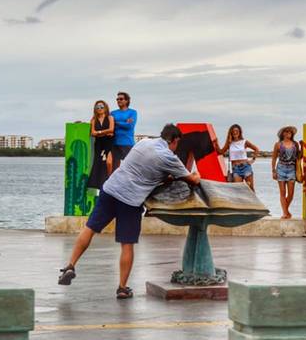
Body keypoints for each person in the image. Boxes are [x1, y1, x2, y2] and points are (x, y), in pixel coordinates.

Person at [57, 124, 200, 299]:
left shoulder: (143, 143)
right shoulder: (169, 158)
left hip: (110, 190)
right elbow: (192, 180)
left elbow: (141, 167)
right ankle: (122, 288)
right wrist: (196, 176)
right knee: (127, 245)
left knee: (90, 228)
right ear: (175, 140)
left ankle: (70, 265)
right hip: (131, 201)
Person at [271, 126, 301, 219]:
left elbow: (299, 156)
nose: (288, 133)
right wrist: (273, 171)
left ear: (292, 134)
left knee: (291, 194)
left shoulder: (295, 144)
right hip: (281, 168)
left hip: (292, 168)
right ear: (282, 133)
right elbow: (274, 158)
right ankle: (285, 213)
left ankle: (286, 211)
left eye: (290, 132)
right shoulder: (278, 144)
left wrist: (302, 147)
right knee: (282, 192)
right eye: (286, 131)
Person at [220, 124, 259, 191]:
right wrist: (216, 143)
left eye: (236, 131)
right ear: (231, 133)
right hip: (236, 169)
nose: (235, 132)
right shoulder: (229, 143)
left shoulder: (244, 142)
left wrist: (252, 160)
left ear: (240, 132)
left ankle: (252, 201)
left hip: (246, 167)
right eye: (233, 131)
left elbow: (256, 149)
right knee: (238, 190)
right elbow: (221, 152)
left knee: (250, 188)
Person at [86, 100, 114, 190]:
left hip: (108, 142)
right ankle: (95, 184)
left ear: (105, 108)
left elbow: (111, 129)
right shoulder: (94, 120)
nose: (100, 109)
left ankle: (110, 180)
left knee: (109, 162)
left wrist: (100, 132)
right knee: (97, 163)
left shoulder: (110, 118)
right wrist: (104, 132)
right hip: (98, 143)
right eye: (97, 107)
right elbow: (93, 133)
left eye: (101, 107)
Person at [110, 91, 137, 171]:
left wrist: (115, 122)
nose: (118, 101)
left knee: (130, 167)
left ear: (126, 101)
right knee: (114, 168)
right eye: (117, 99)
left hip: (127, 143)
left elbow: (129, 126)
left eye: (121, 99)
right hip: (115, 143)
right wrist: (124, 122)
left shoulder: (132, 112)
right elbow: (110, 125)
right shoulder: (113, 113)